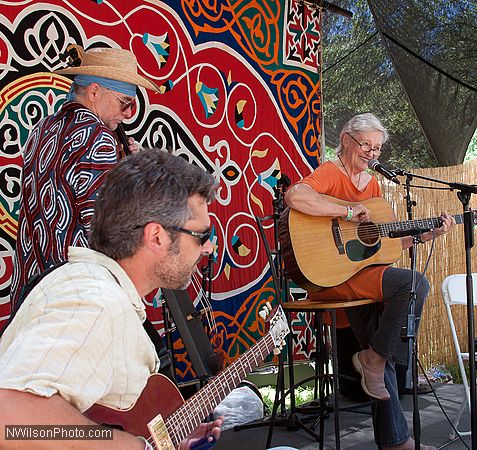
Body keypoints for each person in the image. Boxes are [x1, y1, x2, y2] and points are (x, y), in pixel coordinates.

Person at [0, 149, 222, 449]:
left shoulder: (100, 290)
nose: (207, 249)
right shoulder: (95, 302)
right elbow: (11, 417)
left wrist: (160, 441)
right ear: (156, 237)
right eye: (201, 236)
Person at [284, 113, 455, 450]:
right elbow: (296, 197)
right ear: (346, 140)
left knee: (381, 343)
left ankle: (393, 435)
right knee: (412, 286)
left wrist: (424, 235)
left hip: (360, 275)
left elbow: (378, 247)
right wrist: (347, 212)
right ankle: (376, 365)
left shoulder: (373, 186)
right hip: (329, 277)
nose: (372, 154)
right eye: (366, 145)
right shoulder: (331, 172)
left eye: (377, 149)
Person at [10, 46, 159, 307]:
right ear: (93, 92)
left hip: (30, 287)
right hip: (73, 293)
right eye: (125, 104)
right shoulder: (98, 136)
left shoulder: (41, 128)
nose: (127, 114)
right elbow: (103, 228)